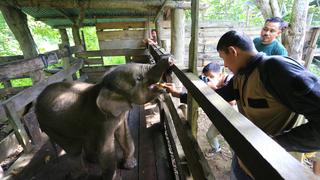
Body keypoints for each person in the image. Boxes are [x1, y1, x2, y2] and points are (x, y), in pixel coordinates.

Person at [213, 30, 320, 179]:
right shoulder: (240, 75)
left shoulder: (277, 69)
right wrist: (182, 95)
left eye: (223, 58)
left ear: (232, 51)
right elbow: (222, 95)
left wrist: (273, 145)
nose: (224, 64)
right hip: (246, 154)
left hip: (276, 164)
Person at [165, 62, 234, 157]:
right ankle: (216, 149)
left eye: (212, 76)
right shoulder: (215, 84)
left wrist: (213, 89)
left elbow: (232, 102)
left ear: (221, 74)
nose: (210, 79)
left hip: (233, 119)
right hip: (222, 117)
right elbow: (197, 96)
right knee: (210, 135)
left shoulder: (231, 80)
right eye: (207, 77)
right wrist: (176, 93)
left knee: (234, 144)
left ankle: (238, 164)